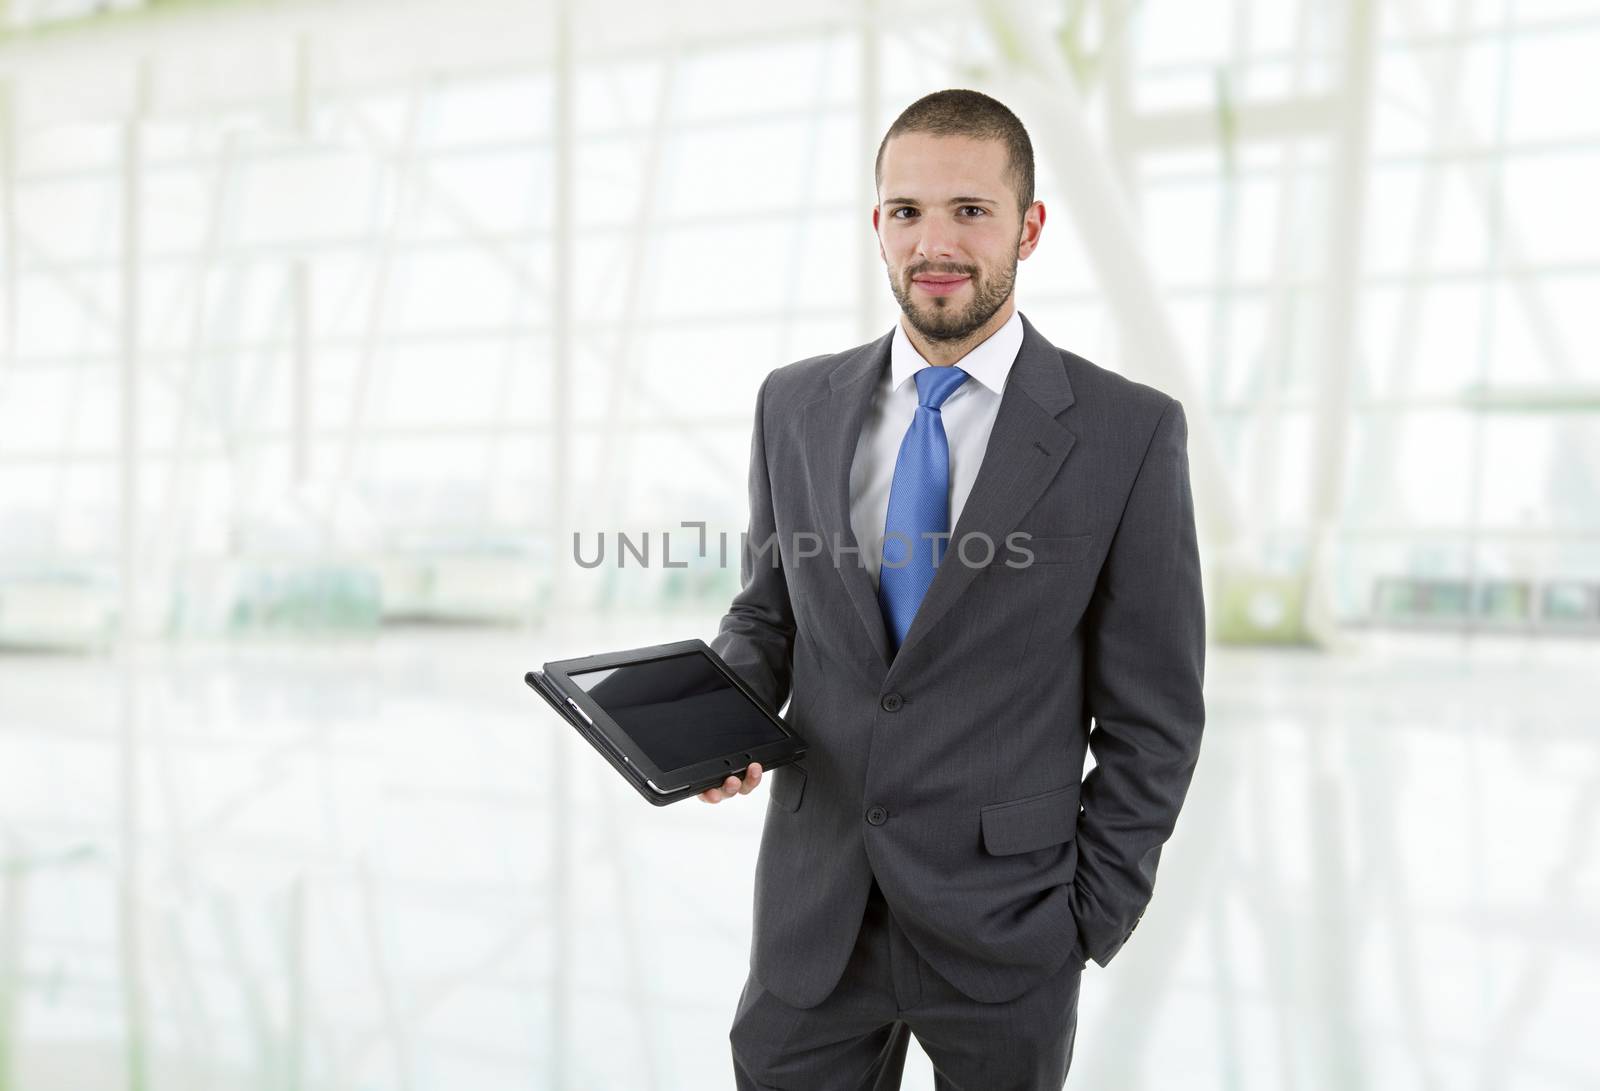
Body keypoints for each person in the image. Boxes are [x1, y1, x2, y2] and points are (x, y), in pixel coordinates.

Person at [701, 88, 1207, 1089]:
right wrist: (719, 718)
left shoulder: (1127, 432)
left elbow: (1154, 717)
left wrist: (1084, 915)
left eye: (969, 210)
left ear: (1028, 226)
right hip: (815, 913)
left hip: (1008, 928)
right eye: (907, 211)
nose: (935, 242)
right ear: (876, 225)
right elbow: (769, 612)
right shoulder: (792, 403)